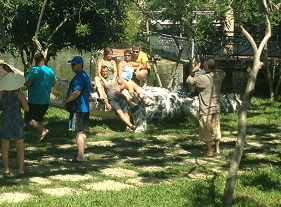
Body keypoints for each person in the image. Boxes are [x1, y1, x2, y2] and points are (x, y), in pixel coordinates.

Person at [186, 58, 226, 157]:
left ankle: (210, 151)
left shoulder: (203, 78)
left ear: (207, 67)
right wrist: (215, 69)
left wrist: (194, 71)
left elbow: (189, 81)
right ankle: (217, 149)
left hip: (206, 108)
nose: (203, 67)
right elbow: (223, 72)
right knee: (216, 127)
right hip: (216, 107)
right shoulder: (219, 76)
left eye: (204, 65)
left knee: (205, 129)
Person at [0, 71, 29, 176]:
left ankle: (6, 169)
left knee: (4, 146)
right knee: (20, 146)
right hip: (17, 119)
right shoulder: (19, 93)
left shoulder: (1, 93)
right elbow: (26, 108)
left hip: (5, 119)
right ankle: (21, 169)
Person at [24, 53, 56, 143]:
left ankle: (44, 130)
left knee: (28, 119)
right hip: (45, 100)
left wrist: (24, 80)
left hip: (34, 100)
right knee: (39, 119)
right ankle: (40, 139)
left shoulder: (35, 70)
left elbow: (28, 83)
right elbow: (53, 84)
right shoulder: (50, 71)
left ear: (36, 61)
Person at [66, 56, 91, 162]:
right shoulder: (86, 75)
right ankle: (82, 154)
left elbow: (77, 92)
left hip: (79, 108)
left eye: (73, 64)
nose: (72, 66)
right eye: (71, 64)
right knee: (83, 132)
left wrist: (67, 100)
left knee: (78, 132)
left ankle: (80, 156)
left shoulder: (79, 77)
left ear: (80, 64)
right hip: (85, 108)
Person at [100, 66, 136, 132]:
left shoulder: (114, 77)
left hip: (120, 96)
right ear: (101, 72)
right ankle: (131, 125)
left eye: (106, 71)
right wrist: (107, 103)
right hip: (112, 99)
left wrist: (119, 88)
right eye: (103, 72)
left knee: (126, 112)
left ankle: (128, 127)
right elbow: (103, 94)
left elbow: (123, 84)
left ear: (108, 72)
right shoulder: (102, 82)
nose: (105, 73)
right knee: (120, 112)